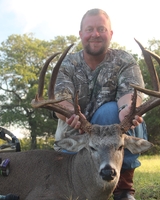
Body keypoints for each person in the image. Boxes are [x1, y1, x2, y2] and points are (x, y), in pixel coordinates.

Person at [53, 8, 148, 200]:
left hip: (110, 131)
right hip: (75, 136)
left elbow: (131, 93)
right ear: (81, 34)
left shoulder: (124, 60)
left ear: (110, 34)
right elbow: (60, 100)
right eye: (89, 29)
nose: (95, 34)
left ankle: (123, 190)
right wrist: (72, 114)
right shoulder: (67, 64)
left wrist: (128, 110)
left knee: (112, 113)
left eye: (101, 29)